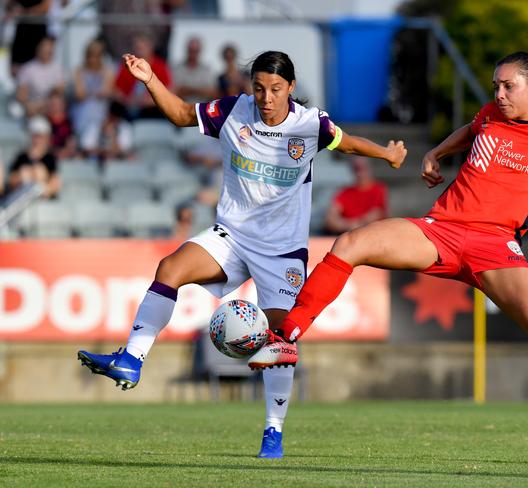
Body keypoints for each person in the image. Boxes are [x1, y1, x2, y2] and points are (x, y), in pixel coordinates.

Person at [260, 51, 528, 468]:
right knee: (351, 243)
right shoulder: (489, 115)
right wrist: (436, 154)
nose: (499, 94)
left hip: (496, 246)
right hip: (438, 230)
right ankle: (287, 337)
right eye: (495, 85)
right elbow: (470, 128)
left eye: (509, 86)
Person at [77, 50, 406, 459]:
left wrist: (388, 155)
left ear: (291, 89)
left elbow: (348, 144)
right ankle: (131, 358)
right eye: (259, 88)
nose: (266, 98)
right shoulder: (234, 111)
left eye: (275, 89)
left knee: (281, 337)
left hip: (282, 250)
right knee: (171, 267)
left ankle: (273, 431)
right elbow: (181, 114)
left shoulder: (309, 123)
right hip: (231, 234)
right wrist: (149, 80)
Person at [113, 33, 173, 119]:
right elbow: (116, 90)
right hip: (128, 107)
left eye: (142, 48)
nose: (139, 51)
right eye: (137, 48)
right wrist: (126, 100)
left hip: (151, 110)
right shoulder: (127, 65)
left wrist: (147, 101)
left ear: (150, 47)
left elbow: (169, 90)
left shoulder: (160, 66)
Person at [323, 155, 388, 235]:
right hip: (349, 237)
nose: (360, 173)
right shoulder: (345, 193)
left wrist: (352, 224)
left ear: (369, 168)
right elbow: (331, 219)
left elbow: (377, 214)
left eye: (362, 168)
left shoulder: (378, 190)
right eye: (356, 168)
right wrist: (350, 225)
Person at [70, 39, 114, 144]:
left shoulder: (107, 71)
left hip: (101, 112)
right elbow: (79, 95)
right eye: (90, 55)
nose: (93, 59)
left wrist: (89, 93)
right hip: (82, 111)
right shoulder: (79, 71)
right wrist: (95, 93)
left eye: (96, 55)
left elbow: (105, 92)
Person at [8, 115, 60, 199]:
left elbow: (55, 183)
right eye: (35, 136)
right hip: (22, 196)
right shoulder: (21, 157)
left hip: (43, 197)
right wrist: (24, 175)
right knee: (25, 172)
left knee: (39, 171)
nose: (38, 140)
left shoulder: (50, 158)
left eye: (41, 136)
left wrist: (40, 182)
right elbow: (11, 181)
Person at [14, 36, 65, 118]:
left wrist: (43, 104)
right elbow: (21, 96)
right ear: (38, 49)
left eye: (49, 50)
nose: (47, 51)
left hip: (50, 107)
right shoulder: (28, 68)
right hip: (33, 108)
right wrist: (32, 105)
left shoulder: (57, 68)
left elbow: (59, 91)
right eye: (44, 48)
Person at [173, 37, 215, 104]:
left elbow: (212, 92)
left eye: (195, 51)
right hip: (180, 108)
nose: (193, 53)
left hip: (201, 109)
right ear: (187, 50)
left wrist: (188, 90)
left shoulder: (207, 69)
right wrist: (200, 90)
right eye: (191, 50)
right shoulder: (177, 68)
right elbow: (174, 91)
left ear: (200, 51)